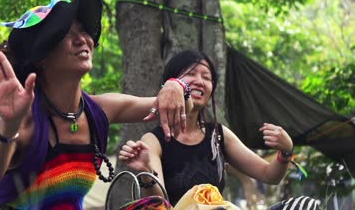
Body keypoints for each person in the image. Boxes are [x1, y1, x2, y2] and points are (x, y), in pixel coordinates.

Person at [0, 0, 189, 210]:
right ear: (43, 56)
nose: (82, 39)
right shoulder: (24, 118)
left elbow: (183, 106)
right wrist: (8, 125)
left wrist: (176, 86)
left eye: (83, 31)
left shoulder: (99, 110)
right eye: (65, 33)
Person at [119, 50, 294, 206]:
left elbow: (269, 175)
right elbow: (160, 206)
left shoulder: (219, 134)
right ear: (170, 86)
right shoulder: (153, 141)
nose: (199, 81)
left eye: (207, 77)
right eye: (191, 73)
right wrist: (146, 171)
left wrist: (286, 151)